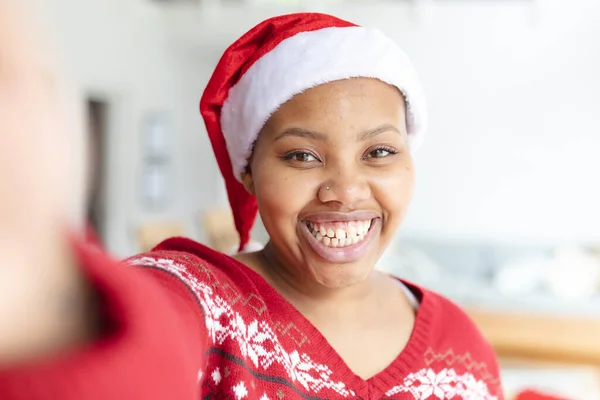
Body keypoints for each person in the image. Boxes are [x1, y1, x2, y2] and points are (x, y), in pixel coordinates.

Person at [0, 5, 503, 400]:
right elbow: (118, 345)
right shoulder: (199, 305)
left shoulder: (460, 348)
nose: (346, 190)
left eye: (379, 152)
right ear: (248, 171)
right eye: (303, 156)